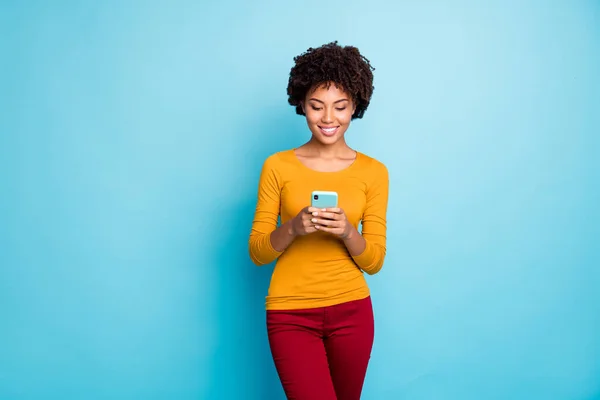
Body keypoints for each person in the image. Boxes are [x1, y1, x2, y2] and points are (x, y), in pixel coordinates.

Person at [248, 41, 389, 400]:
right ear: (301, 105)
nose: (328, 118)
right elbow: (258, 252)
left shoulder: (374, 172)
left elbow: (374, 261)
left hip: (353, 312)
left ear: (355, 106)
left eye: (340, 107)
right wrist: (294, 227)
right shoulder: (277, 166)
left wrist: (346, 232)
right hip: (290, 313)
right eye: (316, 106)